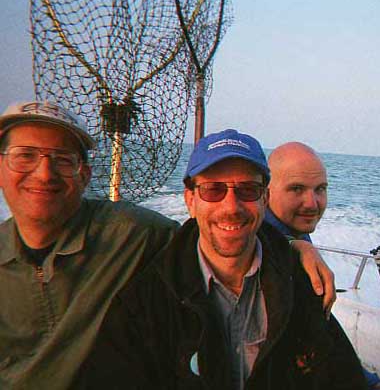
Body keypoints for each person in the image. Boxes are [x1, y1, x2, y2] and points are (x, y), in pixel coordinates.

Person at [0, 102, 333, 389]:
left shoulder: (131, 232)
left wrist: (292, 245)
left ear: (85, 174)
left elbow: (214, 236)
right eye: (24, 156)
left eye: (62, 160)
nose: (44, 174)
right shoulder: (145, 297)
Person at [81, 129, 367, 389]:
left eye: (247, 190)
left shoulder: (298, 283)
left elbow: (338, 373)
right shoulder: (145, 301)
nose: (231, 206)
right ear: (190, 200)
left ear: (264, 200)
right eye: (213, 190)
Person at [267, 141, 380, 390]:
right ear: (266, 192)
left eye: (320, 189)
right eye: (296, 189)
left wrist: (369, 382)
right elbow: (258, 241)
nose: (312, 203)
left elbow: (321, 334)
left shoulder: (295, 228)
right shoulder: (265, 242)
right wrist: (291, 246)